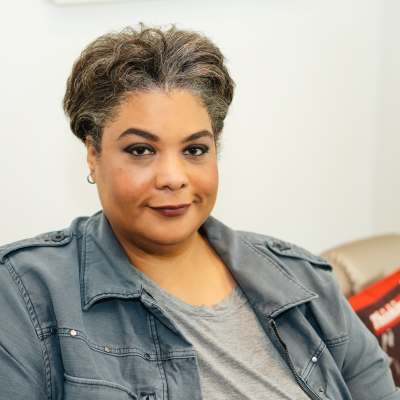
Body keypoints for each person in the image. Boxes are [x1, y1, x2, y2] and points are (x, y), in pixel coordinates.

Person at [0, 24, 397, 400]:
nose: (174, 177)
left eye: (195, 150)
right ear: (93, 154)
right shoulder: (23, 293)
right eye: (141, 150)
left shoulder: (306, 281)